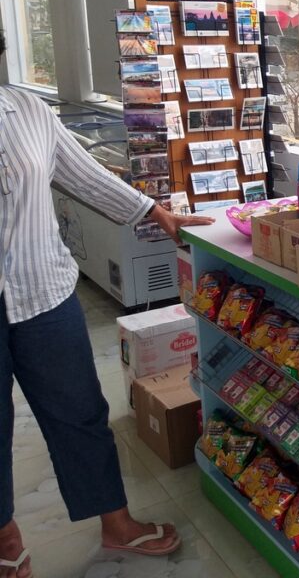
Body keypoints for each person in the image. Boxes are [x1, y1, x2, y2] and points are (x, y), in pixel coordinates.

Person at [0, 30, 216, 578]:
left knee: (80, 412)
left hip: (43, 292)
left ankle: (117, 524)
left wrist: (154, 211)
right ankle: (5, 541)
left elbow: (82, 173)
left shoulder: (26, 109)